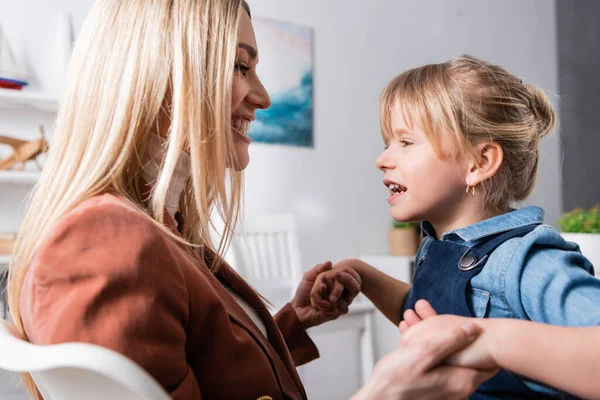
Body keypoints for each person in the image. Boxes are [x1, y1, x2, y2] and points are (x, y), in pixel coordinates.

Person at [6, 1, 492, 399]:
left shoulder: (151, 230)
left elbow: (198, 357)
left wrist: (291, 322)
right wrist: (385, 394)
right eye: (240, 66)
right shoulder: (104, 246)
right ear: (160, 75)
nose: (262, 96)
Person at [311, 55, 600, 399]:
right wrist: (362, 275)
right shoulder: (438, 247)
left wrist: (486, 339)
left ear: (479, 162)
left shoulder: (526, 261)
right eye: (387, 142)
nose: (382, 159)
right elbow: (424, 313)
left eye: (405, 142)